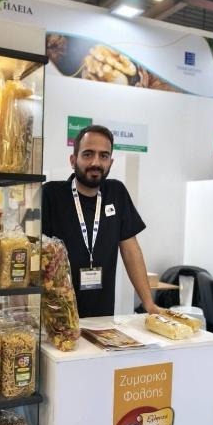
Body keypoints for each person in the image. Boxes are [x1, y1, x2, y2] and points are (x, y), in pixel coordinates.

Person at [42, 124, 160, 318]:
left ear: (110, 162)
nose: (96, 162)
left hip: (103, 317)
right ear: (73, 160)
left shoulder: (116, 193)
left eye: (103, 156)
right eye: (88, 154)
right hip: (57, 316)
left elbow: (131, 251)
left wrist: (149, 304)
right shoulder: (51, 195)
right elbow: (34, 256)